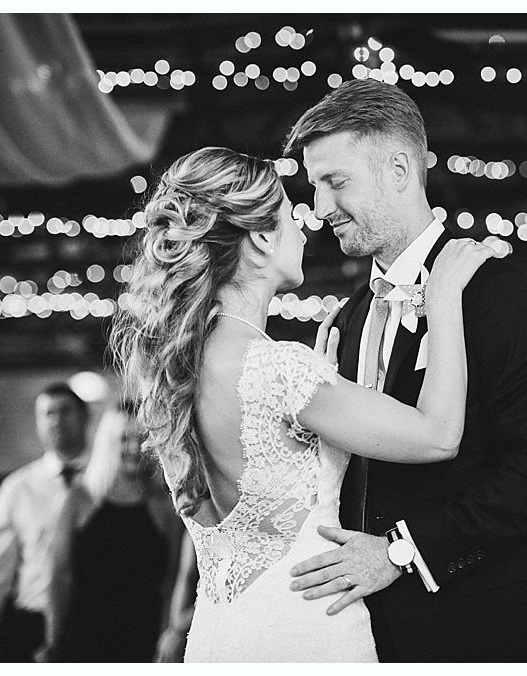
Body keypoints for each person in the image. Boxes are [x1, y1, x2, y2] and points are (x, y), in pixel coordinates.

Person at [110, 145, 498, 662]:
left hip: (218, 635)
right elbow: (439, 436)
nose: (306, 226)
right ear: (262, 237)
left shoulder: (181, 368)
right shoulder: (279, 368)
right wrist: (444, 298)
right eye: (291, 215)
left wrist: (317, 381)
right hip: (304, 629)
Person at [281, 78, 527, 662]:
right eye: (314, 186)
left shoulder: (498, 294)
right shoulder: (349, 319)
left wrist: (400, 552)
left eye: (336, 182)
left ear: (400, 170)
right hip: (383, 637)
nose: (321, 208)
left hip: (499, 627)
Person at [44, 400, 184, 662]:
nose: (133, 448)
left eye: (142, 439)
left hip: (142, 640)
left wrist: (166, 639)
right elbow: (59, 577)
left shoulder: (164, 506)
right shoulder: (78, 500)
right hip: (82, 640)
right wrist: (53, 641)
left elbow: (172, 582)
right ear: (108, 443)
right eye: (124, 439)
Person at [0, 382, 89, 662]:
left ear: (85, 417)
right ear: (37, 424)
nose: (57, 421)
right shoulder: (18, 488)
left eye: (65, 411)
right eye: (48, 414)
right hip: (33, 621)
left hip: (94, 619)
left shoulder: (105, 481)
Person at [154, 531, 199, 663]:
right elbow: (185, 577)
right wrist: (174, 629)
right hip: (183, 619)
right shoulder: (189, 533)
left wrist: (179, 628)